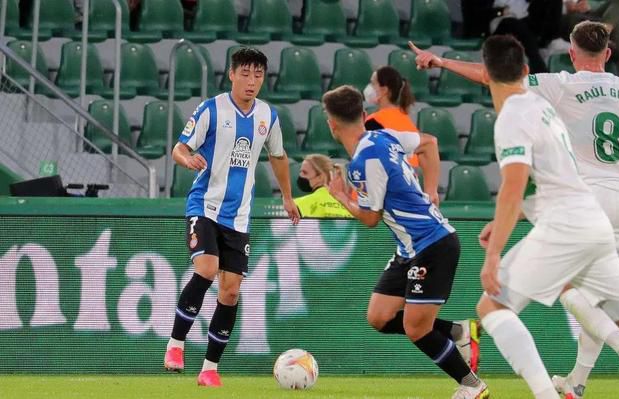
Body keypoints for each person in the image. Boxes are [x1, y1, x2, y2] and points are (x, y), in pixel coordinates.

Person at [410, 20, 619, 397]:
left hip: (584, 199)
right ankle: (578, 382)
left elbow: (495, 80)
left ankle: (617, 350)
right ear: (610, 54)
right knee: (604, 299)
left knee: (513, 302)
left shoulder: (555, 87)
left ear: (571, 52)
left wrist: (441, 62)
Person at [323, 85, 489, 399]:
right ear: (363, 114)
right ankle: (459, 332)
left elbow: (371, 219)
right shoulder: (383, 137)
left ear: (331, 123)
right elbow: (429, 144)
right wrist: (432, 190)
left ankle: (472, 387)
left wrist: (342, 197)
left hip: (432, 243)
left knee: (416, 328)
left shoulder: (362, 163)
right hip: (409, 248)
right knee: (379, 317)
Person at [163, 47, 300, 387]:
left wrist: (287, 196)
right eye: (246, 74)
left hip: (239, 217)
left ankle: (209, 368)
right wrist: (187, 160)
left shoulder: (268, 116)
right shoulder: (212, 108)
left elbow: (279, 156)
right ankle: (176, 344)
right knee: (207, 268)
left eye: (258, 75)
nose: (252, 82)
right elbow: (179, 147)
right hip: (205, 205)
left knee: (231, 292)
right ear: (232, 74)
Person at [563, 0, 619, 82]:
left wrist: (590, 5)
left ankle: (602, 33)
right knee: (616, 27)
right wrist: (567, 5)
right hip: (570, 18)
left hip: (590, 14)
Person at [363, 66, 420, 168]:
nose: (369, 87)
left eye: (373, 83)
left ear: (384, 90)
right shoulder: (404, 116)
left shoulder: (374, 121)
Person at [293, 154, 353, 218]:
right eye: (300, 172)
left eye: (305, 172)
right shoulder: (349, 206)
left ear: (320, 177)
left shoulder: (297, 204)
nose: (300, 175)